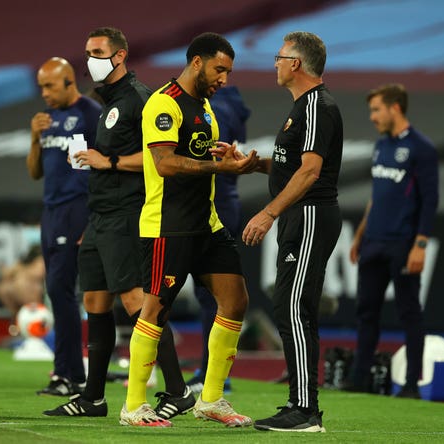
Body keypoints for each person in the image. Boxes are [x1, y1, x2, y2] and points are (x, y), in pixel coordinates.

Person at [43, 27, 189, 419]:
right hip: (100, 214)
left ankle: (177, 389)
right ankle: (93, 398)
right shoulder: (107, 101)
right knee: (94, 299)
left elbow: (157, 155)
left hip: (127, 212)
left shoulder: (140, 99)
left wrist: (105, 161)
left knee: (137, 301)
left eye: (97, 52)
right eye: (87, 51)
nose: (89, 58)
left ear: (120, 56)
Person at [119, 32, 259, 428]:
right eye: (220, 69)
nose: (224, 79)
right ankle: (133, 406)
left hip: (206, 223)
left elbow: (195, 155)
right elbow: (164, 163)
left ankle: (211, 400)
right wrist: (222, 168)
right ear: (196, 62)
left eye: (228, 72)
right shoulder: (164, 103)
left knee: (235, 301)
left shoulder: (205, 107)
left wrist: (224, 155)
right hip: (169, 225)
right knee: (156, 309)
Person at [241, 32, 343, 433]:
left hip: (310, 215)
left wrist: (267, 213)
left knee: (294, 308)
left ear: (297, 64)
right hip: (300, 215)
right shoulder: (302, 107)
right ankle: (301, 404)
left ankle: (305, 410)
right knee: (293, 307)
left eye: (280, 57)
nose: (275, 63)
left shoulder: (317, 105)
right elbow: (291, 165)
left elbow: (310, 172)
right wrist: (253, 164)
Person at [345, 83, 439, 399]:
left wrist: (421, 244)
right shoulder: (381, 146)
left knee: (408, 312)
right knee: (366, 311)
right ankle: (359, 379)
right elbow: (377, 195)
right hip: (374, 240)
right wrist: (360, 234)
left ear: (395, 107)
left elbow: (430, 200)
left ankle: (412, 384)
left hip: (403, 243)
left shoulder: (422, 149)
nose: (372, 117)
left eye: (376, 109)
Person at [28, 57, 101, 397]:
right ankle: (68, 372)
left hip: (75, 209)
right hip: (51, 210)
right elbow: (35, 172)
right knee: (56, 289)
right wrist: (33, 138)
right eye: (41, 86)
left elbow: (97, 168)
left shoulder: (88, 114)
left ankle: (70, 374)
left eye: (50, 86)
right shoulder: (48, 119)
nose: (44, 93)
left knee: (61, 288)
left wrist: (92, 216)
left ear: (69, 82)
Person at [186, 85, 251, 395]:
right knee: (211, 294)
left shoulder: (215, 110)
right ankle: (211, 369)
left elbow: (205, 153)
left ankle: (213, 372)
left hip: (215, 202)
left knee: (213, 294)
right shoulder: (231, 107)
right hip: (225, 200)